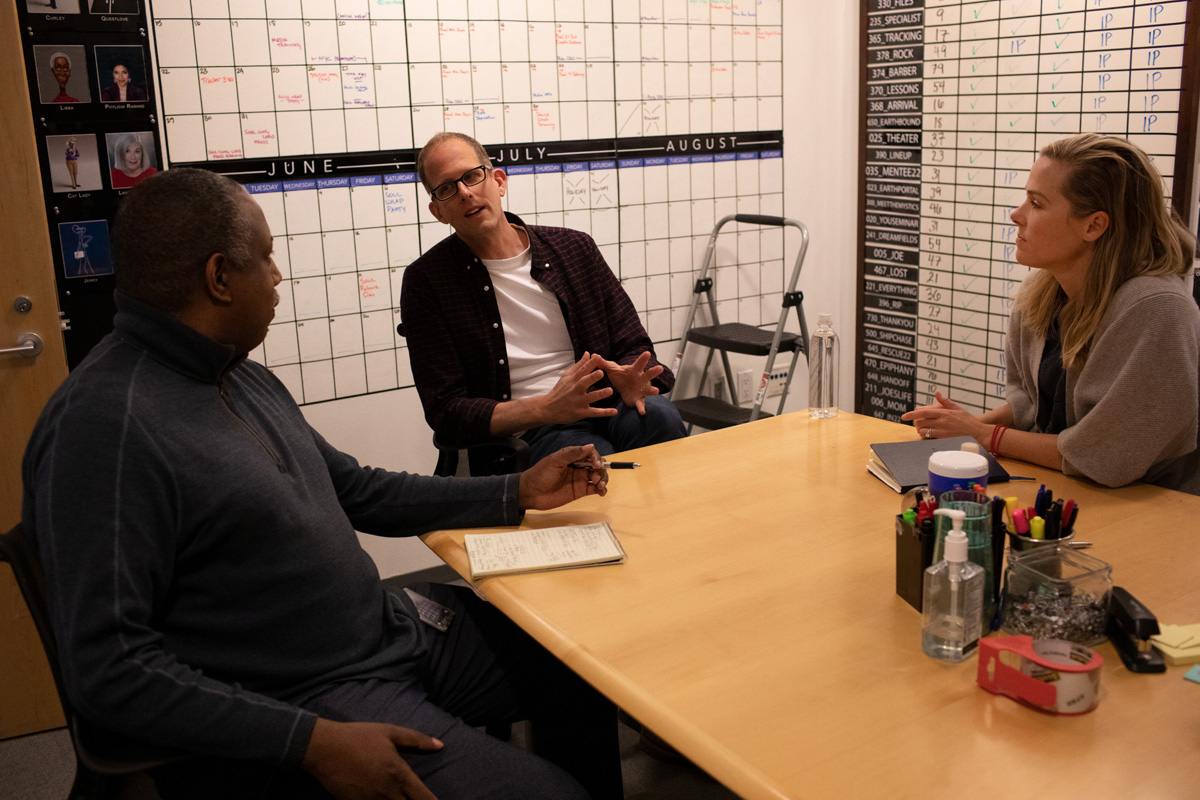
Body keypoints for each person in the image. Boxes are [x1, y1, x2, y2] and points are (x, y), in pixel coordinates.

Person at [22, 168, 622, 800]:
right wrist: (306, 741)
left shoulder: (237, 373)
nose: (278, 275)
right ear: (220, 278)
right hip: (312, 698)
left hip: (385, 632)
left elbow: (360, 490)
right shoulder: (104, 431)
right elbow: (109, 672)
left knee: (583, 658)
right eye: (267, 257)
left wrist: (517, 491)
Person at [903, 133, 1200, 494]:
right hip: (1075, 492)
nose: (1017, 216)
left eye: (1036, 203)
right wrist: (962, 428)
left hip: (1156, 509)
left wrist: (983, 434)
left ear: (1094, 225)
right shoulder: (1043, 292)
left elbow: (1103, 456)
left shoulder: (1156, 308)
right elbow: (1030, 403)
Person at [401, 132, 687, 467]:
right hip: (533, 429)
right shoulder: (427, 281)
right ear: (438, 211)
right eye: (447, 188)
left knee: (659, 417)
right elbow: (447, 411)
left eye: (471, 176)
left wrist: (630, 374)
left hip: (606, 399)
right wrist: (546, 407)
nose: (465, 192)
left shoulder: (573, 248)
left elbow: (632, 342)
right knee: (595, 463)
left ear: (498, 180)